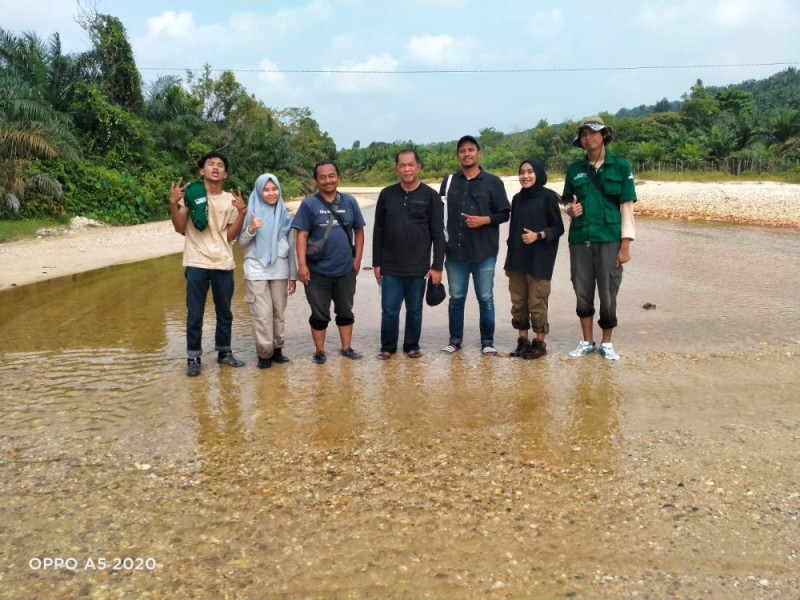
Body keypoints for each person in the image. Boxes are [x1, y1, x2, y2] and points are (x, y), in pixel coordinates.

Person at [562, 115, 637, 360]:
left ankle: (606, 342)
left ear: (604, 134)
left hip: (609, 238)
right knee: (582, 290)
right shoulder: (574, 169)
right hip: (580, 238)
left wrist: (625, 244)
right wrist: (569, 211)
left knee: (608, 292)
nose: (588, 137)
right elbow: (567, 201)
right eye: (583, 134)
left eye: (593, 132)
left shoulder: (621, 166)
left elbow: (626, 206)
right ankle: (587, 340)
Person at [169, 151, 247, 377]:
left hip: (223, 262)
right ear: (202, 171)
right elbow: (179, 227)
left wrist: (242, 212)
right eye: (210, 164)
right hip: (196, 261)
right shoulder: (192, 195)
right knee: (195, 313)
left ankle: (224, 353)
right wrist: (174, 204)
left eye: (220, 165)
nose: (215, 168)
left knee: (225, 313)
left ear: (225, 173)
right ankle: (193, 357)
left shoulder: (230, 200)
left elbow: (231, 235)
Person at [439, 135, 510, 355]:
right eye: (462, 150)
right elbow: (439, 215)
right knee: (456, 298)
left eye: (471, 149)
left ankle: (487, 342)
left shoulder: (493, 182)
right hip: (455, 253)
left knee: (486, 298)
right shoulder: (449, 182)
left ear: (479, 153)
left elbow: (505, 213)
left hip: (484, 252)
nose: (466, 153)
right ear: (458, 155)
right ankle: (455, 341)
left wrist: (484, 220)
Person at [372, 149, 445, 359]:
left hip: (419, 267)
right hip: (391, 266)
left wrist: (437, 265)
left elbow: (438, 234)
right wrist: (377, 263)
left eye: (410, 164)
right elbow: (379, 231)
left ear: (418, 167)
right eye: (402, 165)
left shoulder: (431, 196)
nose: (407, 169)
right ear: (397, 169)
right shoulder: (386, 194)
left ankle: (412, 345)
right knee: (389, 310)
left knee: (414, 310)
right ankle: (387, 347)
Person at [292, 161, 366, 364]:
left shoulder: (350, 202)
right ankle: (320, 351)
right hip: (316, 271)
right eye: (322, 177)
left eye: (331, 176)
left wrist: (357, 260)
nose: (327, 180)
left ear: (338, 177)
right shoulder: (309, 204)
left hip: (345, 269)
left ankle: (346, 348)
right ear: (316, 180)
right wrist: (302, 265)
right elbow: (302, 235)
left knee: (345, 310)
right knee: (319, 313)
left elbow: (359, 231)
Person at [504, 158, 564, 359]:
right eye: (522, 172)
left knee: (537, 303)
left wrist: (538, 235)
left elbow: (559, 228)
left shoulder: (548, 197)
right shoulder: (517, 199)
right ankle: (523, 341)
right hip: (518, 261)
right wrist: (508, 262)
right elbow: (512, 233)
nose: (525, 176)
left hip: (540, 260)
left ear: (538, 173)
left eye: (530, 171)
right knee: (519, 304)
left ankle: (539, 343)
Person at [238, 173, 297, 369]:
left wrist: (292, 275)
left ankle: (278, 349)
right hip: (256, 270)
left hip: (279, 270)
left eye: (274, 189)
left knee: (279, 312)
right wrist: (251, 228)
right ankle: (264, 354)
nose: (271, 193)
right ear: (258, 191)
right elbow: (240, 242)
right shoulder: (250, 213)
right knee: (261, 314)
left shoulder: (285, 216)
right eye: (266, 189)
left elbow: (291, 248)